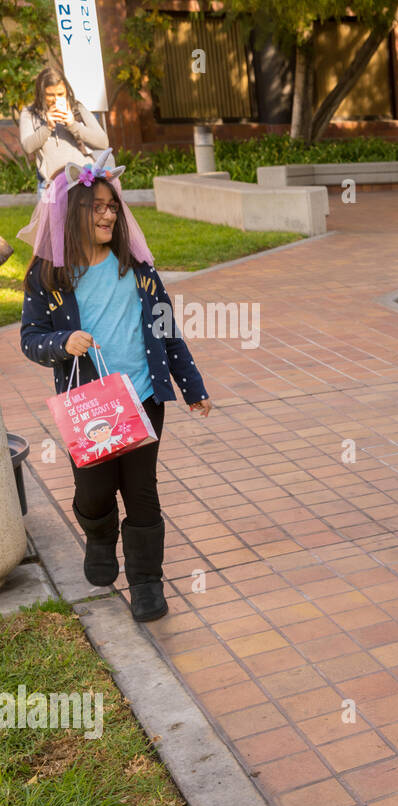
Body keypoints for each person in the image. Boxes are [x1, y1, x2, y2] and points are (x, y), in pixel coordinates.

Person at [18, 149, 212, 622]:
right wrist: (64, 341)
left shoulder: (137, 268)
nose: (107, 214)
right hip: (89, 406)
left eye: (112, 207)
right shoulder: (50, 275)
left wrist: (192, 385)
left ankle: (147, 582)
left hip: (143, 399)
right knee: (95, 493)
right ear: (73, 214)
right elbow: (29, 339)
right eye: (96, 207)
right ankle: (100, 537)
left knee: (142, 492)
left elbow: (166, 329)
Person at [19, 66, 109, 194]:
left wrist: (72, 124)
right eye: (50, 95)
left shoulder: (77, 108)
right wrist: (47, 127)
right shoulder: (29, 114)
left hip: (84, 181)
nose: (56, 99)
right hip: (51, 186)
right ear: (41, 94)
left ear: (67, 90)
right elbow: (27, 147)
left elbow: (103, 142)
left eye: (60, 94)